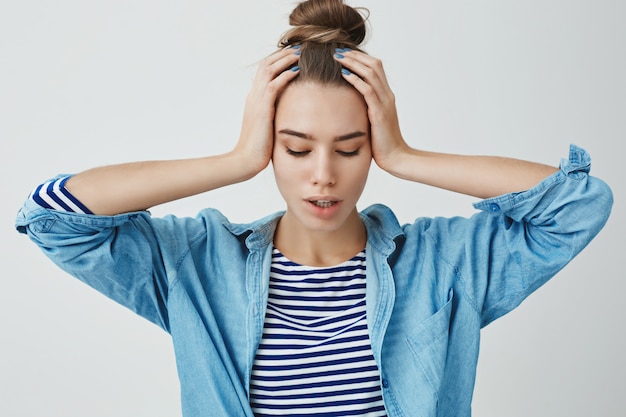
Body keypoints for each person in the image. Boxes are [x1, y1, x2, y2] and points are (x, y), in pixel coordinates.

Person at [15, 0, 613, 416]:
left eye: (350, 149)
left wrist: (404, 155)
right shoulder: (197, 266)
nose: (323, 175)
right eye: (296, 148)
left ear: (370, 147)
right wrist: (235, 159)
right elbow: (54, 218)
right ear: (270, 145)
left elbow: (579, 205)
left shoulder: (442, 264)